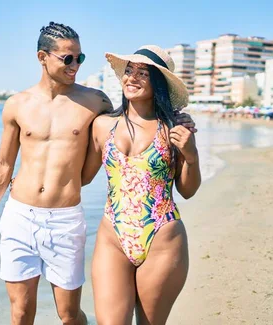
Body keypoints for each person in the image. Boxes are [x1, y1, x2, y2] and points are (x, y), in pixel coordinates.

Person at [0, 23, 197, 325]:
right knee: (20, 312)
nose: (75, 65)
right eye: (68, 58)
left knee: (70, 315)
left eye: (80, 58)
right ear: (43, 57)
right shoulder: (21, 105)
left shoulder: (96, 103)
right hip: (30, 217)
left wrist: (183, 133)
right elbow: (7, 165)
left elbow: (181, 181)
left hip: (84, 222)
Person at [81, 45, 201, 325]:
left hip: (162, 239)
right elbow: (83, 177)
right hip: (113, 236)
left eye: (143, 73)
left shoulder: (173, 128)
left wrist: (191, 155)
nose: (131, 78)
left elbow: (188, 190)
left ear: (157, 82)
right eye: (129, 71)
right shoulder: (102, 126)